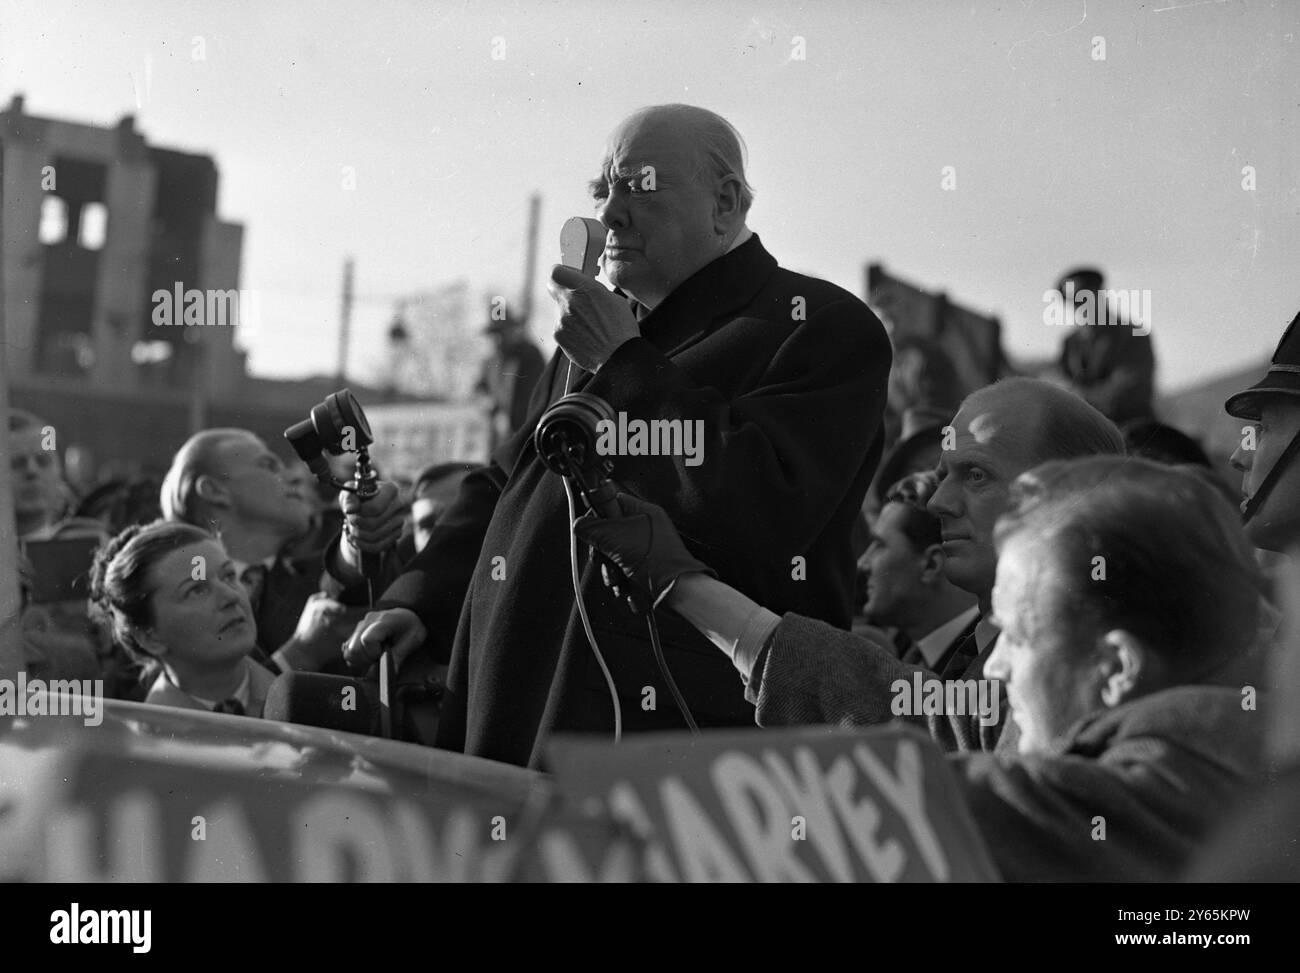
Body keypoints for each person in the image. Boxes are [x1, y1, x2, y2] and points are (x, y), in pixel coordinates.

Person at [344, 103, 892, 768]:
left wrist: (625, 367)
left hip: (666, 750)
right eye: (602, 190)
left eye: (638, 185)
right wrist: (423, 597)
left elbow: (760, 508)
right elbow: (506, 482)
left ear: (725, 204)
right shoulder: (601, 334)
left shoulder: (819, 327)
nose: (608, 215)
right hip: (516, 704)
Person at [583, 457, 1267, 880]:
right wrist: (684, 583)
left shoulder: (1160, 798)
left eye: (1020, 638)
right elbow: (923, 713)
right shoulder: (1212, 736)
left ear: (1116, 665)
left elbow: (860, 811)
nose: (992, 670)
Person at [577, 376, 1126, 754]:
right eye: (946, 473)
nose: (937, 503)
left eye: (976, 475)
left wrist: (684, 585)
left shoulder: (1091, 653)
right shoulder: (1009, 640)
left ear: (1067, 495)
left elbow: (936, 735)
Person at [159, 428, 374, 674]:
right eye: (268, 465)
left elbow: (344, 566)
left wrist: (361, 529)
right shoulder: (175, 606)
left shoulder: (322, 564)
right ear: (214, 491)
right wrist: (300, 653)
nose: (293, 476)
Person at [88, 520, 275, 717]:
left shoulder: (300, 702)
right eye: (196, 590)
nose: (231, 596)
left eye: (228, 576)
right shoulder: (150, 741)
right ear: (149, 637)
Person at [857, 471, 977, 669]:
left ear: (931, 564)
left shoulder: (989, 669)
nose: (862, 562)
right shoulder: (904, 651)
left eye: (879, 545)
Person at [1054, 267, 1156, 424]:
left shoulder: (1134, 333)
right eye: (1072, 299)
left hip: (1129, 427)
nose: (1079, 304)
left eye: (1084, 296)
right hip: (1083, 426)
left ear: (1099, 293)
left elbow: (1128, 388)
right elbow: (1059, 378)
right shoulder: (1070, 341)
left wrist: (1075, 397)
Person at [476, 311, 546, 453]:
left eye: (502, 332)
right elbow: (480, 388)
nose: (498, 338)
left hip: (527, 431)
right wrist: (490, 404)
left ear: (512, 330)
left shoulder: (530, 355)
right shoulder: (490, 361)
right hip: (499, 432)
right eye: (495, 333)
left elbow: (539, 393)